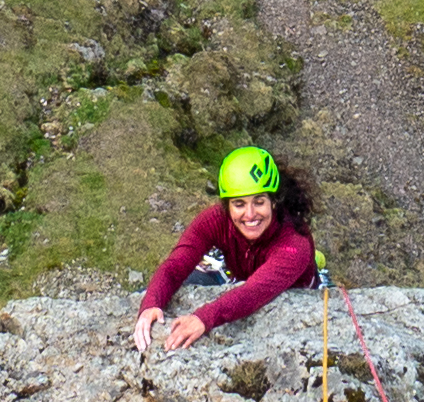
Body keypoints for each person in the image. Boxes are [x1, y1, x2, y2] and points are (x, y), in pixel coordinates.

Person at [132, 146, 315, 350]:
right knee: (146, 291)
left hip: (286, 290)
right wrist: (151, 303)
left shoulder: (294, 243)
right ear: (227, 206)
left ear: (274, 202)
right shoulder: (215, 220)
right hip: (240, 277)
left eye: (259, 202)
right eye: (239, 204)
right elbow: (176, 266)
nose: (250, 214)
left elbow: (253, 292)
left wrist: (203, 318)